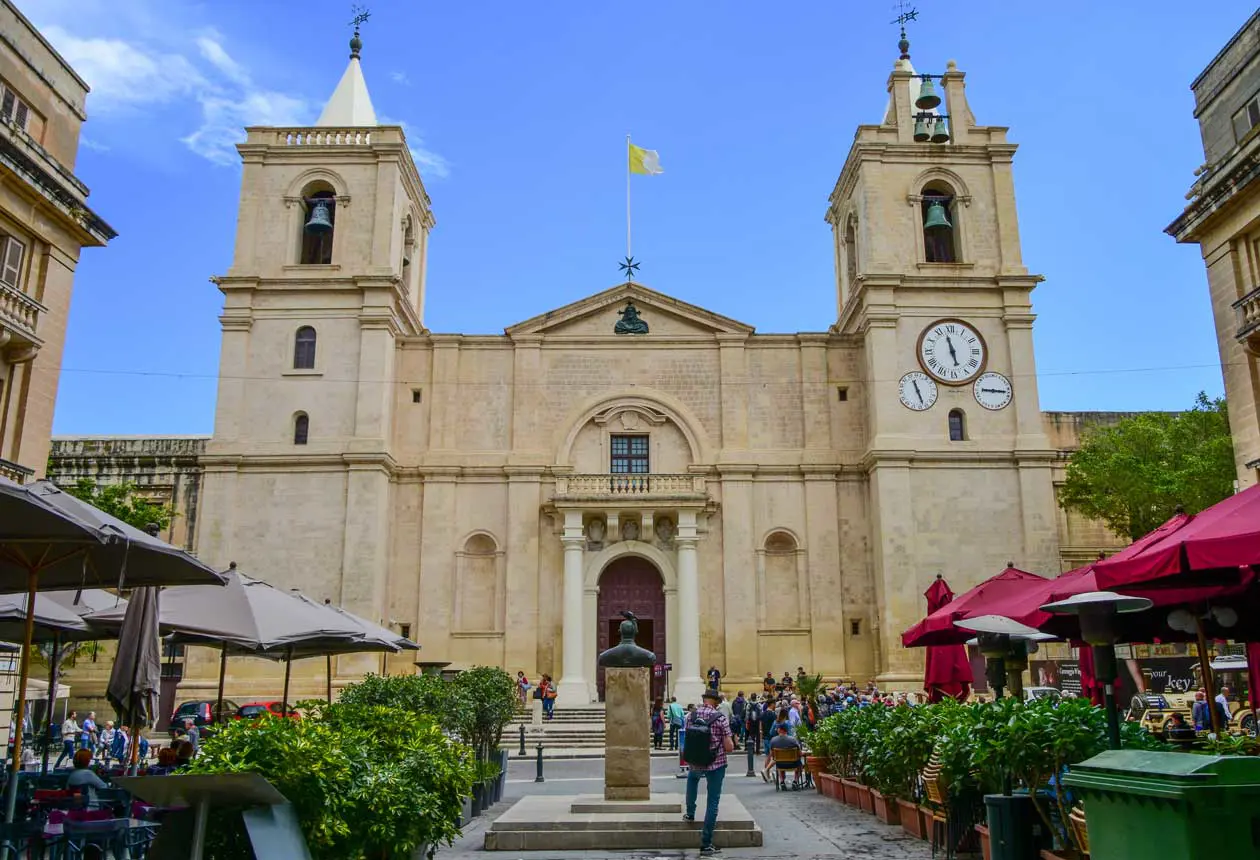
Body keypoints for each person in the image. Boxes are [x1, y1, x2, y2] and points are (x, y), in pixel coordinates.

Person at [682, 689, 733, 856]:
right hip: (715, 763)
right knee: (713, 801)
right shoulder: (720, 719)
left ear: (704, 699)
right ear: (716, 702)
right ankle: (706, 842)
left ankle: (690, 813)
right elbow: (729, 747)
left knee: (692, 779)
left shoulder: (691, 716)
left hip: (695, 761)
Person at [763, 723, 804, 787]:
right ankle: (795, 781)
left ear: (780, 730)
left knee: (779, 761)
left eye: (778, 728)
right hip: (793, 764)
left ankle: (782, 781)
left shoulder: (773, 740)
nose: (777, 730)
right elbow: (800, 754)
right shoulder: (793, 740)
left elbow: (772, 755)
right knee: (800, 765)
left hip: (780, 764)